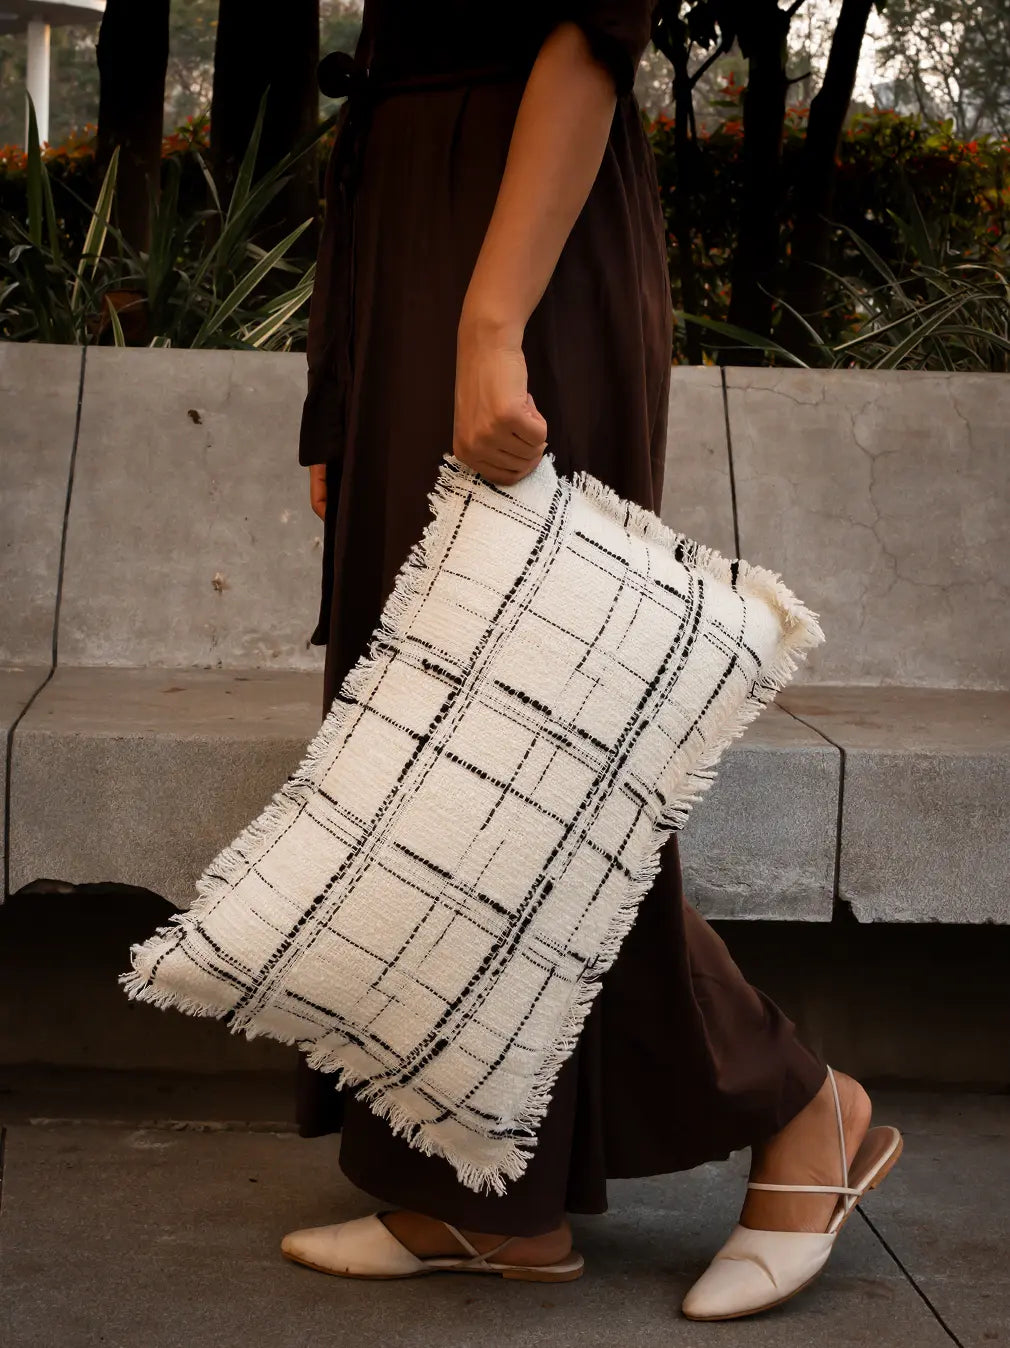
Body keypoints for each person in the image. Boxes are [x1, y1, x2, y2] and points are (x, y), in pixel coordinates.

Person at [282, 0, 902, 1319]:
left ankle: (800, 1107)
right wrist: (346, 381)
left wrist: (488, 325)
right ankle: (481, 1199)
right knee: (429, 753)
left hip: (516, 240)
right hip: (420, 229)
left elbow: (584, 28)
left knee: (527, 750)